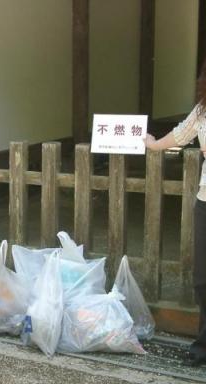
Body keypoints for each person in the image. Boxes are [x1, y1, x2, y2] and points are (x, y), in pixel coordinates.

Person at [144, 62, 206, 367]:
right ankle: (204, 344)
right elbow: (182, 134)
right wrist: (154, 145)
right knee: (202, 278)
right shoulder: (203, 109)